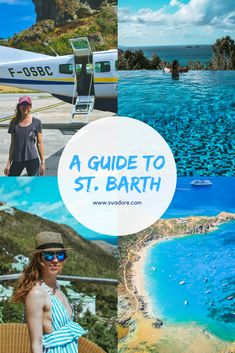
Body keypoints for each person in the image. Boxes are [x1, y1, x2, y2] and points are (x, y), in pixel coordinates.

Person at [12, 231, 86, 353]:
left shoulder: (57, 287)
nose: (55, 260)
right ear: (39, 259)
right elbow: (36, 344)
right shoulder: (37, 294)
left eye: (60, 255)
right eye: (49, 255)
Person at [4, 96, 45, 176]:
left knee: (34, 185)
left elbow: (39, 143)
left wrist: (43, 162)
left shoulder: (37, 122)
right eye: (22, 104)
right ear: (19, 106)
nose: (25, 106)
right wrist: (8, 163)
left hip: (32, 159)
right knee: (11, 183)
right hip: (17, 159)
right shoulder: (13, 123)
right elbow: (13, 144)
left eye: (27, 104)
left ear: (30, 106)